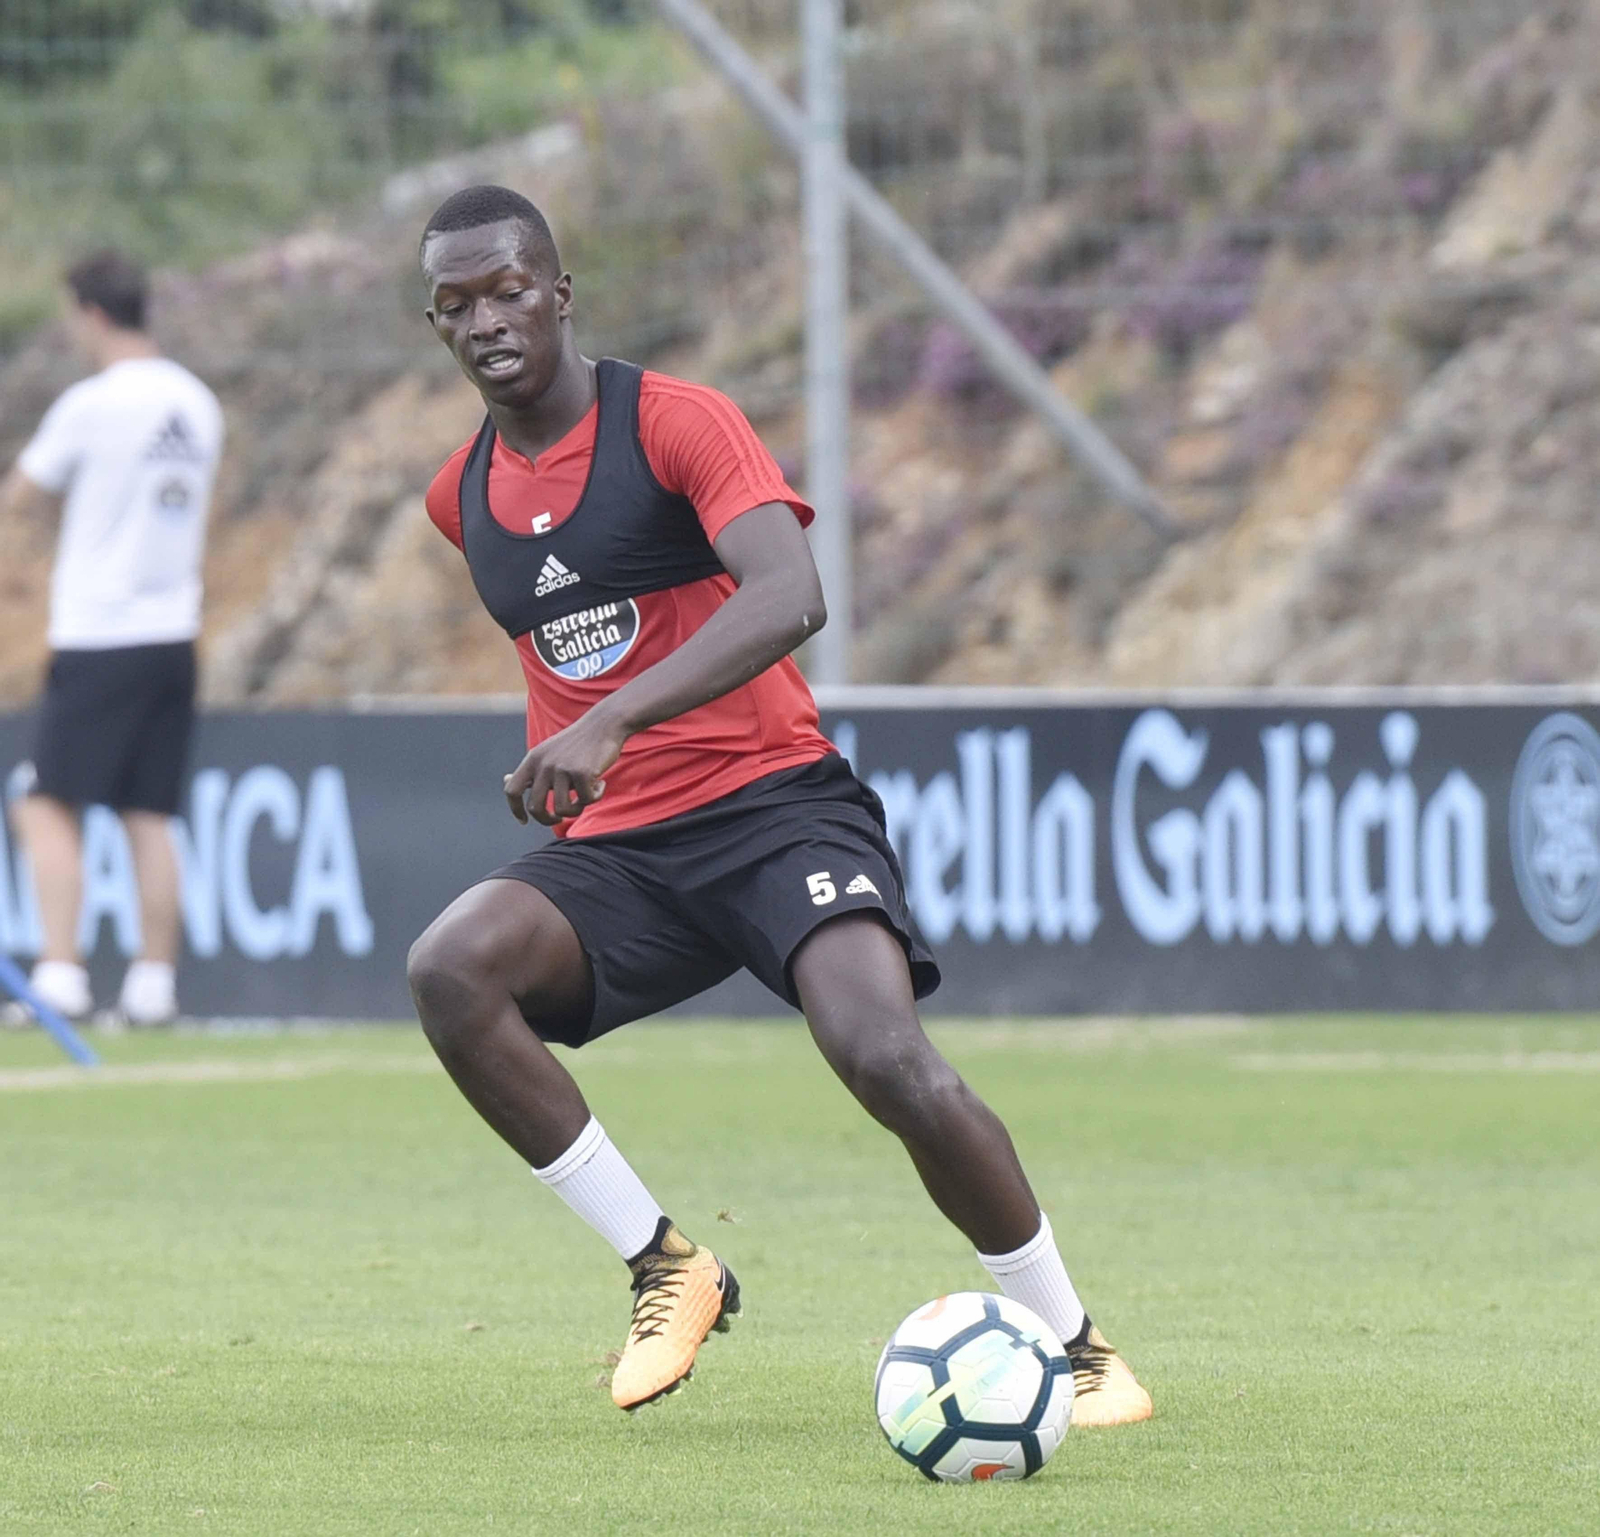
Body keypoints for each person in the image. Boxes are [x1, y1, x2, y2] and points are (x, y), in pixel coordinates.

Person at [407, 184, 1151, 1425]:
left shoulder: (675, 423)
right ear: (435, 325)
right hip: (624, 854)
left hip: (773, 812)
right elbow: (573, 647)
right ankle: (667, 1265)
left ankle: (1075, 1342)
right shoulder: (460, 498)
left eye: (507, 288)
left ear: (560, 289)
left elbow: (789, 593)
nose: (486, 319)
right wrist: (572, 753)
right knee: (451, 968)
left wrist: (609, 720)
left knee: (883, 1057)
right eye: (454, 304)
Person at [0, 251, 223, 1029]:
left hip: (101, 633)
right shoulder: (198, 404)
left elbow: (22, 493)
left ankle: (60, 974)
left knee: (40, 800)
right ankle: (152, 985)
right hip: (173, 633)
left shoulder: (91, 405)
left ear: (90, 314)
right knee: (147, 810)